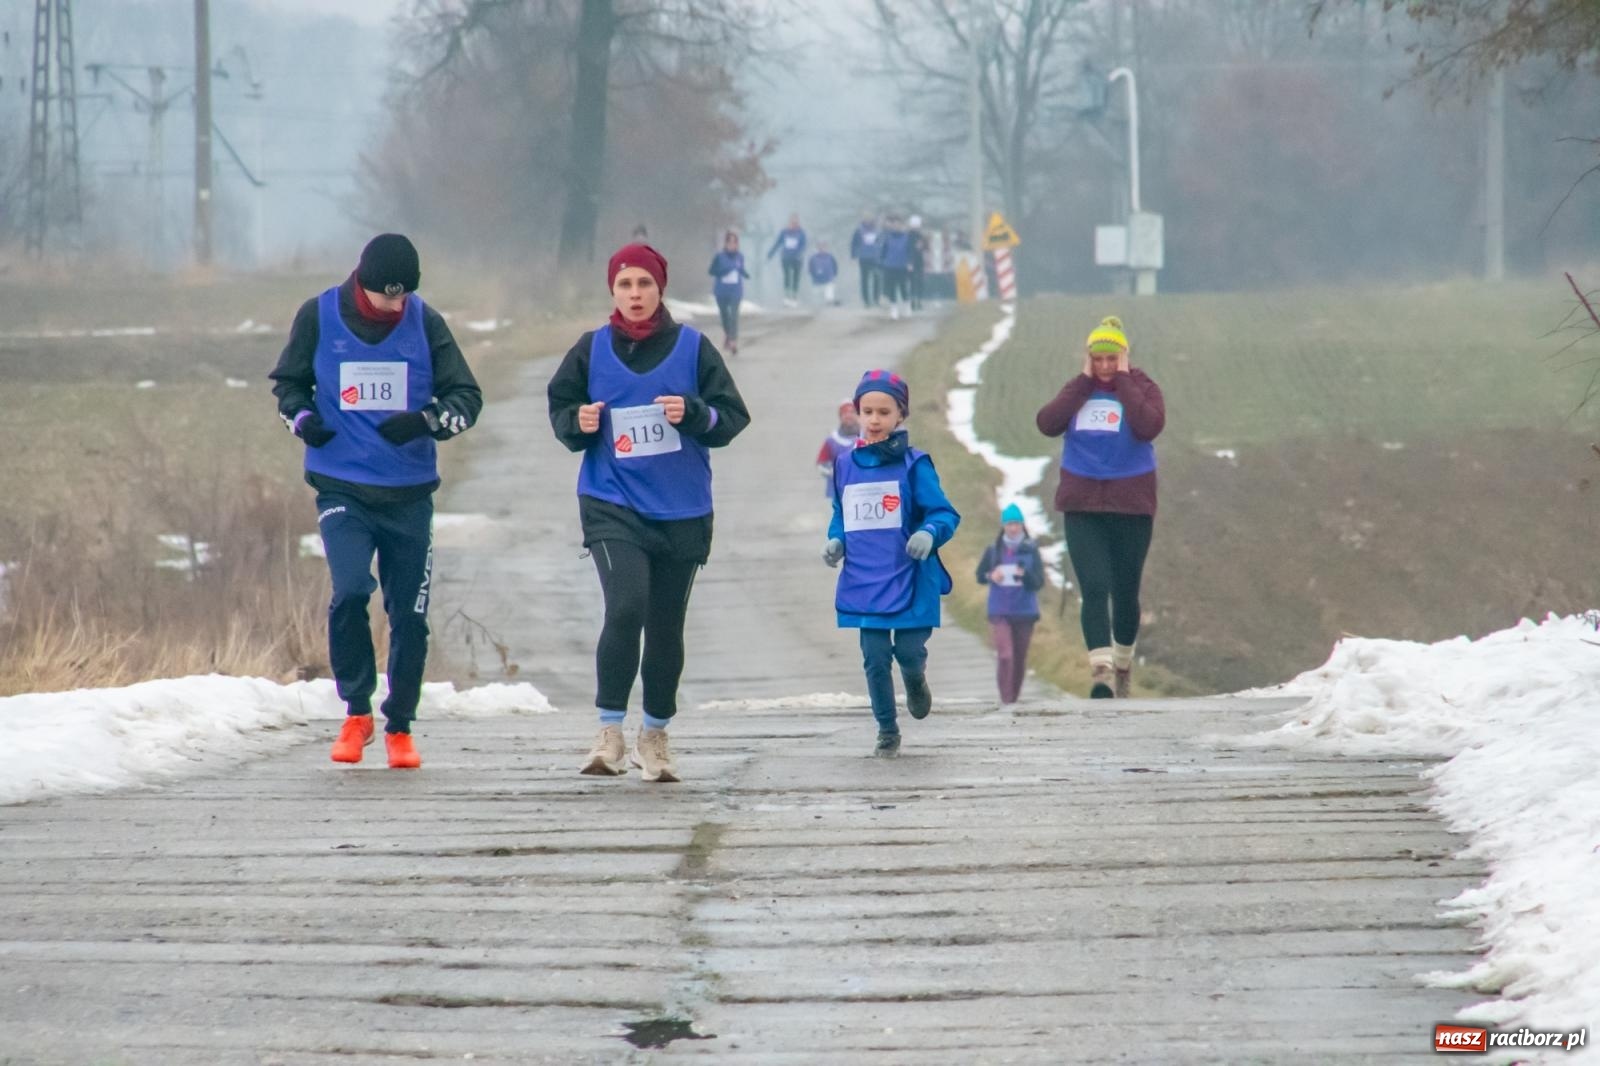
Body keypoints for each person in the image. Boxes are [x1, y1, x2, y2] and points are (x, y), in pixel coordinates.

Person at [269, 233, 483, 769]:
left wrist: (426, 421)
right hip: (342, 487)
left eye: (404, 294)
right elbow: (288, 386)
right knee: (349, 592)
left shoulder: (426, 323)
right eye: (387, 295)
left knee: (409, 615)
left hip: (408, 494)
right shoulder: (318, 316)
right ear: (362, 282)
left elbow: (467, 398)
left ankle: (400, 726)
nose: (396, 304)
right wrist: (303, 420)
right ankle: (357, 713)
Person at [547, 243, 751, 781]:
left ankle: (654, 735)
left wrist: (696, 413)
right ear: (612, 290)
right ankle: (609, 732)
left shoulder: (693, 348)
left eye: (644, 284)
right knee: (626, 606)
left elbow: (732, 418)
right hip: (612, 502)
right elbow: (561, 409)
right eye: (625, 285)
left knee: (665, 626)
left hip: (682, 509)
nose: (635, 294)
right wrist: (578, 422)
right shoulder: (591, 349)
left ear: (660, 289)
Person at [823, 370, 959, 757]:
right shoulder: (844, 464)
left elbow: (944, 513)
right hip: (865, 580)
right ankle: (886, 729)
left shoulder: (916, 465)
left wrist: (929, 532)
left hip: (912, 579)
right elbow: (841, 513)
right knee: (875, 657)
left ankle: (915, 679)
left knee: (909, 652)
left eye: (884, 412)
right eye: (867, 411)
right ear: (857, 413)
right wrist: (836, 539)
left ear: (901, 415)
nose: (875, 419)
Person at [1034, 315, 1164, 699]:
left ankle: (1123, 665)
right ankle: (1101, 673)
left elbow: (1148, 425)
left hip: (1131, 504)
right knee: (1094, 586)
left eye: (1112, 358)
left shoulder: (1143, 387)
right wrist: (1082, 383)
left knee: (1125, 591)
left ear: (1123, 356)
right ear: (1088, 358)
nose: (1104, 366)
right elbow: (1047, 423)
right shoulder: (1078, 390)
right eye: (1098, 359)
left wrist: (1123, 381)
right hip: (1082, 504)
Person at [975, 503, 1046, 705]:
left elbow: (1039, 582)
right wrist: (991, 575)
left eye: (1016, 524)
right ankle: (1006, 699)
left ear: (1022, 525)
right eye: (1009, 524)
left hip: (1025, 611)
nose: (1013, 528)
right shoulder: (993, 550)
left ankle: (1013, 699)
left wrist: (1025, 575)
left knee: (1019, 658)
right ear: (1003, 526)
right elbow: (980, 575)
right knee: (1005, 655)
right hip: (999, 611)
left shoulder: (1031, 550)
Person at [707, 230, 749, 356]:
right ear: (726, 244)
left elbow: (741, 270)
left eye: (735, 242)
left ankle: (733, 342)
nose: (732, 245)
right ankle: (728, 334)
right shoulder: (719, 257)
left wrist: (744, 273)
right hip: (721, 291)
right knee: (725, 316)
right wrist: (725, 271)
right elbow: (711, 271)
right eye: (730, 242)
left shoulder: (740, 257)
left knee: (734, 316)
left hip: (736, 291)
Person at [814, 397, 859, 494]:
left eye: (852, 412)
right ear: (840, 416)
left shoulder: (867, 438)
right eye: (845, 413)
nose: (849, 416)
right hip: (838, 492)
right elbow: (821, 464)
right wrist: (832, 472)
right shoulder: (832, 440)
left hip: (860, 491)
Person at [877, 214, 913, 320]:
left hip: (902, 266)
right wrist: (881, 262)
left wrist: (910, 263)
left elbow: (910, 251)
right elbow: (883, 252)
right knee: (891, 288)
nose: (896, 226)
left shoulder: (907, 238)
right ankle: (894, 309)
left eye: (898, 224)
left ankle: (907, 306)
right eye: (894, 225)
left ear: (902, 226)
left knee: (903, 287)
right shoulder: (887, 238)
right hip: (889, 266)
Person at [767, 213, 807, 307]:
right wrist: (771, 253)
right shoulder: (784, 232)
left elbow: (804, 245)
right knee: (787, 275)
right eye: (792, 222)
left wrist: (799, 253)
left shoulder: (801, 233)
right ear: (789, 222)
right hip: (786, 257)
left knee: (796, 277)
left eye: (795, 222)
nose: (793, 224)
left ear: (798, 223)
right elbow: (778, 243)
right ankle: (787, 295)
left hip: (797, 258)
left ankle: (794, 295)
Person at [849, 211, 882, 308]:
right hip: (864, 257)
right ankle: (866, 301)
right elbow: (854, 243)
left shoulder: (877, 230)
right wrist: (853, 255)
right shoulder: (859, 230)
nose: (868, 220)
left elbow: (882, 242)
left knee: (877, 278)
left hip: (876, 258)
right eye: (866, 218)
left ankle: (876, 299)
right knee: (865, 279)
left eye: (869, 218)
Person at [907, 215, 928, 312]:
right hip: (912, 261)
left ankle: (918, 301)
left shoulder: (921, 236)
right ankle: (912, 301)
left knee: (919, 282)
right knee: (912, 282)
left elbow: (926, 247)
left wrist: (923, 245)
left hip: (919, 261)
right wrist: (909, 262)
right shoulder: (909, 236)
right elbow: (908, 249)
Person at [808, 242, 840, 307]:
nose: (822, 249)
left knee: (829, 292)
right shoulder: (813, 258)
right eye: (820, 247)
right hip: (817, 280)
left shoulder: (830, 257)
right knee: (816, 296)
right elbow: (810, 268)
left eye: (823, 247)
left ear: (826, 248)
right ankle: (816, 306)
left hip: (828, 279)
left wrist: (834, 274)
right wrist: (813, 276)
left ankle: (829, 303)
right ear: (817, 248)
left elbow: (835, 266)